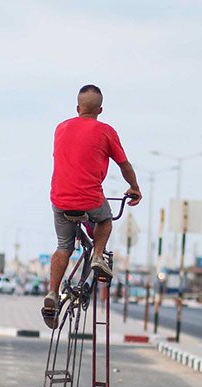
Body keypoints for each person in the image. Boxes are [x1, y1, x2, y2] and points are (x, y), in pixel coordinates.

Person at [44, 84, 142, 328]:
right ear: (100, 109)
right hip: (90, 199)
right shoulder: (106, 131)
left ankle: (52, 294)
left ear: (78, 108)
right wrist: (135, 187)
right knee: (105, 219)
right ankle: (98, 255)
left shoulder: (61, 128)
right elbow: (124, 165)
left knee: (63, 246)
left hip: (60, 198)